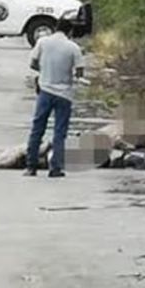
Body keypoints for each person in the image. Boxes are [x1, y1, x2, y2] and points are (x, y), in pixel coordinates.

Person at [24, 17, 85, 178]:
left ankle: (31, 167)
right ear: (70, 31)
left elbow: (33, 64)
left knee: (37, 129)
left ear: (56, 28)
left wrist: (44, 71)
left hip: (45, 91)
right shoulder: (73, 48)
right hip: (64, 94)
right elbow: (79, 72)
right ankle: (55, 168)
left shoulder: (43, 42)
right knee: (59, 132)